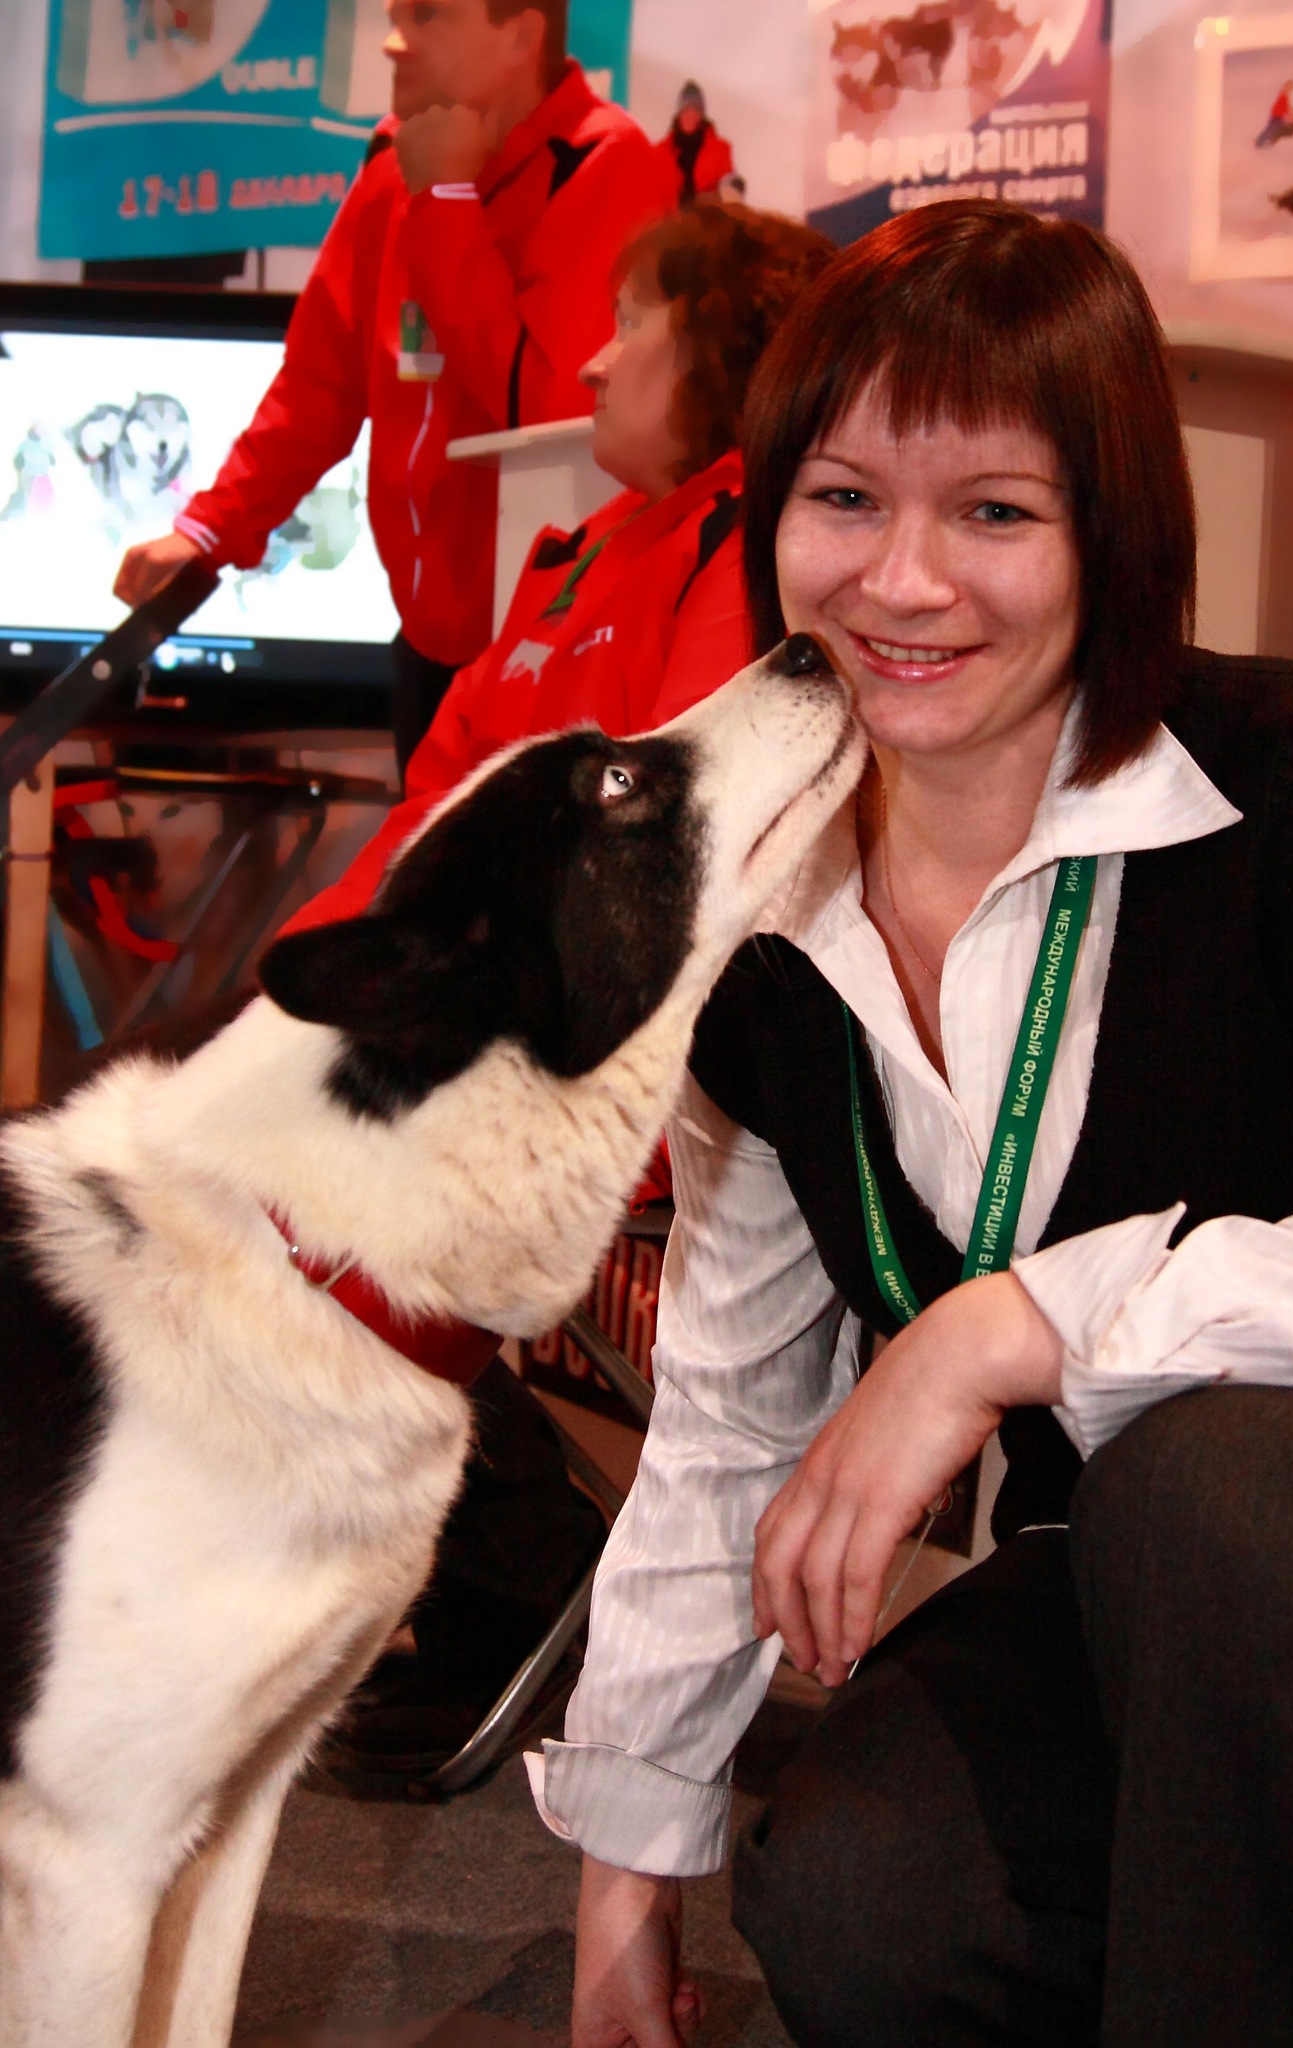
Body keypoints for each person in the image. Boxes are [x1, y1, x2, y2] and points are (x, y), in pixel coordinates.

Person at [534, 200, 1293, 2047]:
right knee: (864, 1896)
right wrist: (627, 1874)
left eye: (996, 512)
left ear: (1115, 536)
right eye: (844, 498)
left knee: (1210, 1483)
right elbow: (728, 1420)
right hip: (1116, 1593)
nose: (901, 580)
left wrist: (1013, 1324)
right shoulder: (764, 926)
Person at [296, 199, 833, 1782]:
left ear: (726, 345)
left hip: (613, 1075)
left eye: (634, 318)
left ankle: (510, 1577)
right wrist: (295, 1026)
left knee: (317, 1238)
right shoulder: (580, 554)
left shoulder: (748, 556)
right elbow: (424, 828)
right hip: (487, 1047)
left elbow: (683, 879)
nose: (593, 359)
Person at [113, 0, 677, 775]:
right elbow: (319, 383)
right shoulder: (395, 160)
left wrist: (444, 201)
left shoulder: (602, 162)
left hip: (558, 656)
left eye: (427, 15)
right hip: (426, 647)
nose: (392, 42)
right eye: (394, 14)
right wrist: (212, 530)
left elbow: (550, 422)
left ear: (521, 34)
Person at [663, 82, 736, 208]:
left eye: (695, 110)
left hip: (707, 217)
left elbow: (729, 195)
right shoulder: (661, 151)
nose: (690, 115)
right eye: (685, 110)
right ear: (678, 114)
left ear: (702, 115)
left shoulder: (720, 150)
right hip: (672, 218)